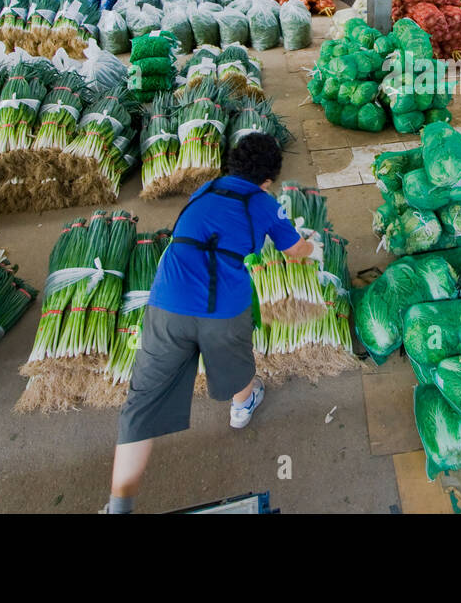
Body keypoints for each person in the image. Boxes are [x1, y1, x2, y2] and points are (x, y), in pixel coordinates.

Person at [104, 133, 316, 513]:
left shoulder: (205, 188)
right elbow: (296, 252)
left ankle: (119, 504)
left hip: (168, 300)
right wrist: (312, 244)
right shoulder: (264, 203)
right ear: (268, 180)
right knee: (234, 360)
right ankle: (241, 406)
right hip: (222, 307)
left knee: (142, 404)